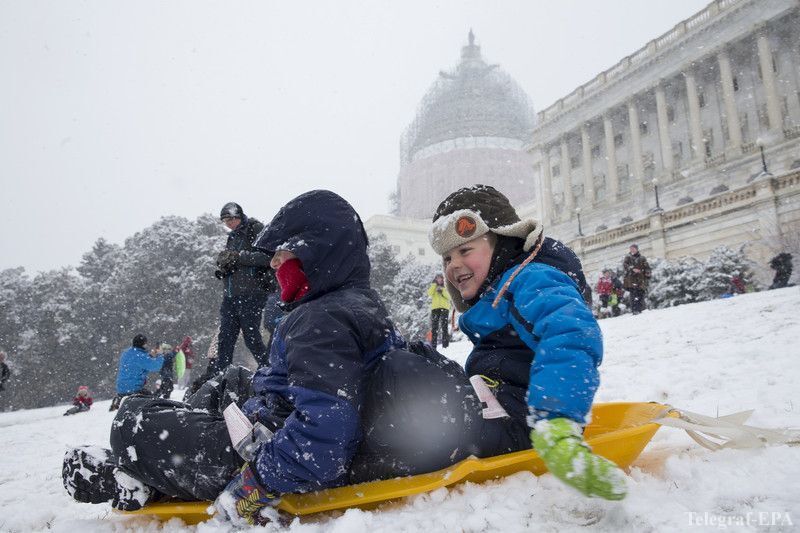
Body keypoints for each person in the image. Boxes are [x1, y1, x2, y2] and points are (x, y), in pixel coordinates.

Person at [63, 191, 431, 525]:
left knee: (130, 423)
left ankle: (131, 474)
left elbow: (325, 437)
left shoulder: (320, 321)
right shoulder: (351, 302)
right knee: (227, 380)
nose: (274, 264)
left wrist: (255, 484)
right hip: (276, 417)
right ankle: (183, 438)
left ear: (315, 252)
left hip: (272, 453)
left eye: (281, 253)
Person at [427, 184, 626, 501]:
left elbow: (569, 335)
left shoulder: (532, 279)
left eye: (465, 251)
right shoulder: (499, 291)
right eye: (447, 257)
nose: (453, 265)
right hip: (502, 407)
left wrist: (556, 421)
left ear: (503, 241)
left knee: (419, 424)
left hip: (526, 421)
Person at [209, 202, 275, 375]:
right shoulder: (232, 237)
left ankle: (270, 371)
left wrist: (239, 257)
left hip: (251, 293)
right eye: (225, 221)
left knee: (251, 338)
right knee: (225, 339)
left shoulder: (255, 228)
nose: (229, 223)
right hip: (230, 295)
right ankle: (221, 378)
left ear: (239, 216)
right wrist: (225, 267)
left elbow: (269, 257)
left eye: (231, 219)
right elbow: (234, 262)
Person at [109, 334, 163, 411]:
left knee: (147, 394)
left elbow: (136, 363)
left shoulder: (126, 353)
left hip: (121, 388)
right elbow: (155, 366)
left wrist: (149, 356)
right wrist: (160, 354)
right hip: (134, 389)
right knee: (152, 401)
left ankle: (119, 399)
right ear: (144, 344)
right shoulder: (141, 356)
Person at [622, 244, 651, 315]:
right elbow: (625, 265)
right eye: (631, 249)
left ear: (637, 249)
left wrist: (647, 273)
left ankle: (641, 309)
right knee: (634, 295)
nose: (632, 250)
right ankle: (635, 310)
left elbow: (647, 267)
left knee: (641, 293)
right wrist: (632, 269)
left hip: (641, 279)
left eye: (633, 248)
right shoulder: (628, 257)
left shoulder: (642, 258)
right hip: (631, 279)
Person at [427, 274, 451, 348]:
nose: (439, 280)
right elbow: (429, 293)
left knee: (444, 326)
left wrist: (442, 291)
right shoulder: (433, 286)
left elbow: (449, 297)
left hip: (444, 308)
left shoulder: (446, 286)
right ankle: (434, 345)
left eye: (440, 278)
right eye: (438, 278)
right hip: (435, 308)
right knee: (434, 327)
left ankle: (445, 345)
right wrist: (434, 286)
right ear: (436, 279)